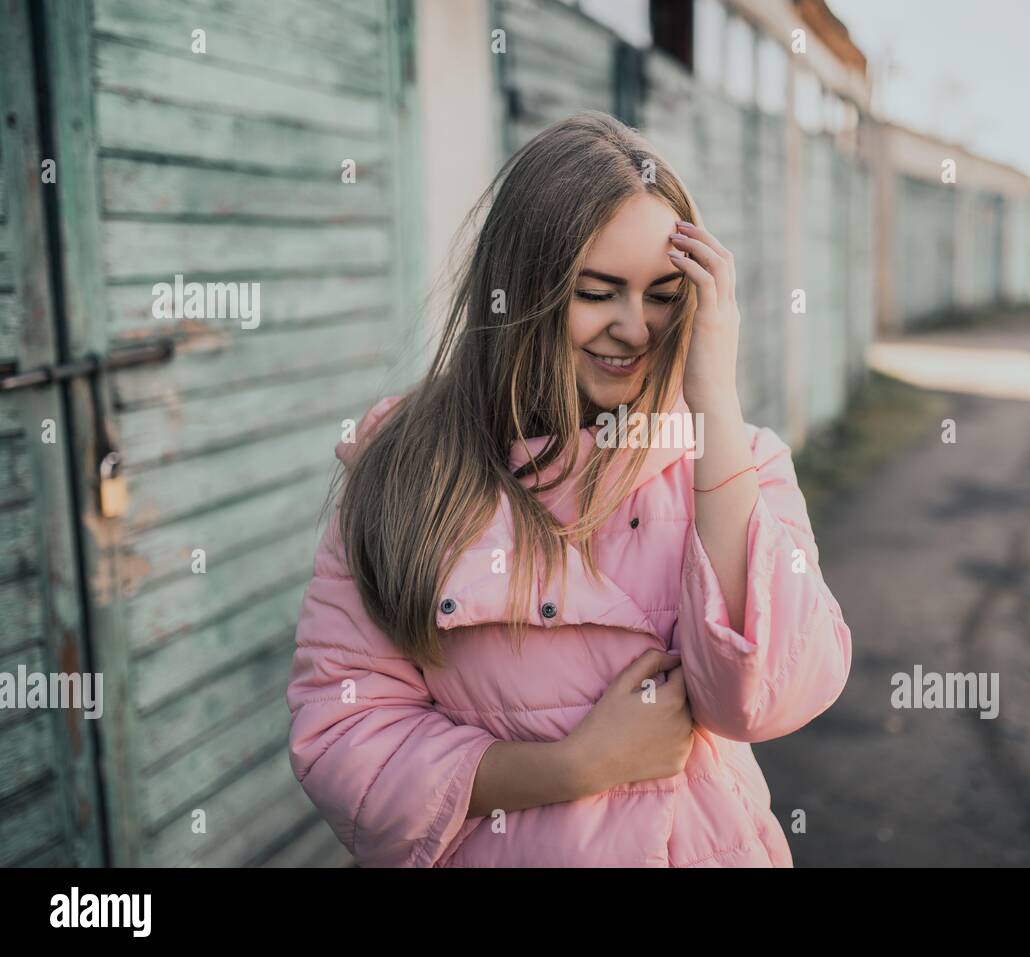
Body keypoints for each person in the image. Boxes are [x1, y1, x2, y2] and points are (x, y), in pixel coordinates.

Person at [286, 110, 853, 867]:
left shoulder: (736, 461)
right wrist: (570, 768)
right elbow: (344, 736)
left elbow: (763, 695)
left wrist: (713, 395)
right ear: (522, 290)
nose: (635, 327)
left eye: (662, 294)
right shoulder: (404, 474)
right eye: (598, 291)